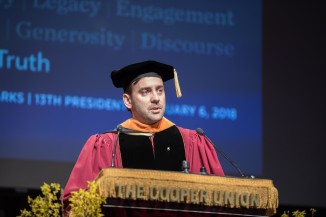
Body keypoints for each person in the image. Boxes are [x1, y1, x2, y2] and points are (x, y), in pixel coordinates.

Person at [63, 60, 224, 215]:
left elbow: (220, 200)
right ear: (127, 101)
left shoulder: (192, 141)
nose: (156, 98)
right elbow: (77, 203)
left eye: (159, 90)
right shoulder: (107, 145)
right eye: (145, 92)